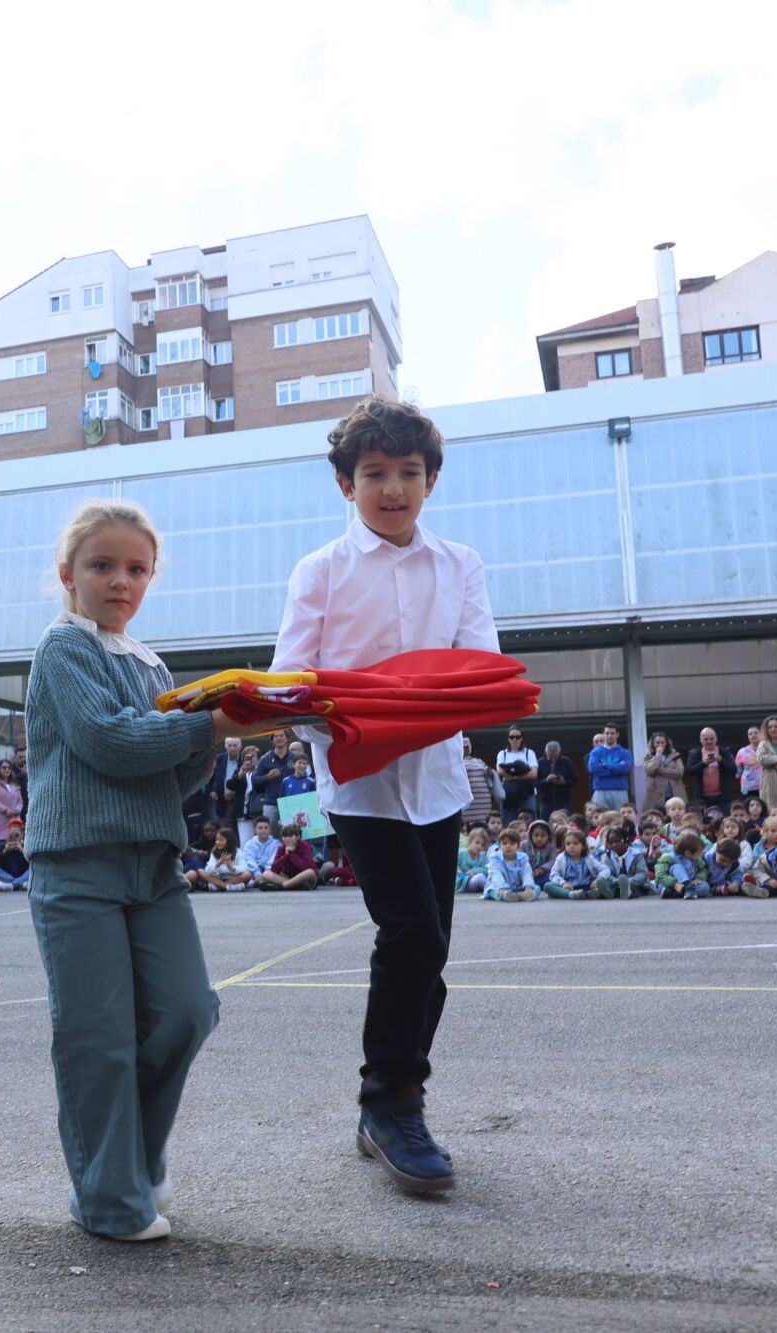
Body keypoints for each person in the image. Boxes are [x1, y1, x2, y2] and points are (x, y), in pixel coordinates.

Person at [269, 395, 501, 1197]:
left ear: (431, 480)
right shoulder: (320, 571)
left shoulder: (460, 563)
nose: (391, 488)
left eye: (408, 472)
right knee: (409, 930)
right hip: (360, 781)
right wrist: (349, 713)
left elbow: (480, 662)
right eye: (374, 474)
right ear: (346, 484)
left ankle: (395, 1096)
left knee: (432, 947)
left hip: (436, 781)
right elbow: (293, 678)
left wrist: (428, 704)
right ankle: (391, 1101)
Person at [23, 497, 232, 1242]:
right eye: (102, 565)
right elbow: (112, 742)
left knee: (188, 1010)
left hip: (154, 863)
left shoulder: (151, 662)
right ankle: (108, 1198)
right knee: (98, 1035)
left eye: (136, 567)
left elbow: (169, 780)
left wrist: (206, 737)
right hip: (76, 866)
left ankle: (133, 1160)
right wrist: (204, 726)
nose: (121, 580)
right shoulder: (64, 647)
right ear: (68, 574)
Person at [590, 824, 650, 899]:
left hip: (635, 883)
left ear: (626, 840)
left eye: (617, 841)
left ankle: (627, 892)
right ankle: (608, 893)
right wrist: (616, 881)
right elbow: (608, 873)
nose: (614, 845)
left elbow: (642, 874)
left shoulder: (636, 854)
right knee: (610, 886)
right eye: (611, 843)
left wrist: (627, 881)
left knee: (636, 889)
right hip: (616, 884)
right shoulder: (607, 856)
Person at [685, 728, 734, 817]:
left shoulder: (724, 752)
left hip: (723, 796)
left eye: (711, 739)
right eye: (706, 739)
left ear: (716, 738)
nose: (709, 741)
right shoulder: (695, 753)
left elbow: (733, 770)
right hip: (701, 797)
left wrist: (720, 760)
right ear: (700, 739)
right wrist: (703, 763)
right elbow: (690, 771)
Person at [586, 725, 633, 811]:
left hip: (620, 790)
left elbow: (625, 768)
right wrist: (616, 769)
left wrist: (605, 765)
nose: (610, 735)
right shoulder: (596, 752)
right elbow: (593, 769)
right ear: (603, 734)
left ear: (617, 734)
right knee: (600, 818)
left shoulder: (625, 752)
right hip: (600, 791)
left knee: (621, 818)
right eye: (607, 733)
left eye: (612, 733)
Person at [259, 826, 320, 891]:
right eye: (285, 836)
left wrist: (292, 855)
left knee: (310, 872)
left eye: (290, 836)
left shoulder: (304, 846)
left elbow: (307, 866)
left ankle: (282, 886)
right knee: (266, 873)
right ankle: (294, 886)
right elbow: (274, 868)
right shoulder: (281, 847)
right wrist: (286, 856)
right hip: (289, 877)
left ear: (298, 837)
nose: (287, 839)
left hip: (304, 877)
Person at [494, 728, 537, 821]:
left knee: (529, 819)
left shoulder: (529, 753)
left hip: (527, 792)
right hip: (509, 793)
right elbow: (499, 771)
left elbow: (534, 773)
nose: (514, 739)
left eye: (517, 737)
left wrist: (514, 776)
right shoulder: (502, 754)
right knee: (508, 820)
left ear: (522, 739)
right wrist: (522, 774)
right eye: (512, 737)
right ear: (508, 739)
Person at [482, 829, 537, 901]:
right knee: (491, 890)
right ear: (500, 846)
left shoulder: (523, 858)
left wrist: (528, 887)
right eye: (504, 843)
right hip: (499, 886)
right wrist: (502, 887)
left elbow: (527, 872)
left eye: (512, 843)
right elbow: (495, 874)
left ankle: (525, 896)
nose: (508, 846)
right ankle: (505, 897)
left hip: (518, 887)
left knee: (536, 888)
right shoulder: (495, 858)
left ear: (518, 846)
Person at [191, 827, 251, 891]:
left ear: (229, 841)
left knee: (247, 874)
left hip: (233, 878)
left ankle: (219, 886)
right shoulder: (214, 852)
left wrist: (231, 867)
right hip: (217, 878)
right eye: (217, 840)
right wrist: (218, 864)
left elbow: (244, 868)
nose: (218, 842)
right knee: (200, 871)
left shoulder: (238, 852)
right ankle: (226, 887)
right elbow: (208, 870)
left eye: (221, 840)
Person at [654, 831, 709, 899]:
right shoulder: (668, 858)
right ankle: (685, 889)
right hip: (670, 885)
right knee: (677, 867)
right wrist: (674, 884)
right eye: (699, 853)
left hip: (691, 884)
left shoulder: (697, 860)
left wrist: (698, 878)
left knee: (705, 887)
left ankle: (682, 892)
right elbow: (660, 875)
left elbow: (702, 870)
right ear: (688, 853)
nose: (701, 855)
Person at [0, 759, 24, 850]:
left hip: (14, 825)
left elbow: (20, 801)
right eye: (4, 767)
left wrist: (17, 810)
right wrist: (5, 810)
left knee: (12, 856)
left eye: (9, 767)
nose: (7, 769)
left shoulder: (15, 784)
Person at [642, 733, 685, 812]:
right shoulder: (648, 756)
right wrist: (658, 755)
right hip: (655, 795)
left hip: (674, 793)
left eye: (662, 742)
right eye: (657, 742)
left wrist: (659, 770)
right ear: (653, 744)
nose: (660, 745)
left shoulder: (675, 755)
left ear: (666, 743)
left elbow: (679, 772)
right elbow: (650, 770)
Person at [0, 819, 31, 890]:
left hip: (22, 874)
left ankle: (12, 885)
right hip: (7, 875)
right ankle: (19, 884)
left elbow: (32, 864)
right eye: (11, 835)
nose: (14, 837)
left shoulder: (27, 846)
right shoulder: (3, 846)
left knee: (33, 869)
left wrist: (22, 851)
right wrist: (4, 851)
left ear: (22, 835)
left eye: (16, 835)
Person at [535, 741, 576, 820]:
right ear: (546, 752)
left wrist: (564, 782)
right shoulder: (540, 763)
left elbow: (574, 780)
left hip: (564, 801)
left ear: (559, 752)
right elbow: (535, 783)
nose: (553, 759)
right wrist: (546, 780)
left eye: (555, 756)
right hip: (546, 802)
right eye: (550, 756)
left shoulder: (566, 762)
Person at [551, 829, 596, 898]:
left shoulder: (588, 857)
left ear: (583, 846)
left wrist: (599, 878)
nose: (571, 846)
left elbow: (604, 869)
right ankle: (571, 894)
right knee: (548, 886)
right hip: (569, 887)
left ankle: (594, 893)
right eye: (568, 844)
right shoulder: (561, 858)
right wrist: (563, 883)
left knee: (608, 879)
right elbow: (553, 874)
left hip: (587, 886)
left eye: (575, 843)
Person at [460, 738, 493, 827]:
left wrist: (490, 772)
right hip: (467, 803)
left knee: (483, 826)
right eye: (463, 746)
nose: (465, 748)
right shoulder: (456, 762)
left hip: (483, 802)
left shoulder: (479, 761)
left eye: (467, 746)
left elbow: (488, 774)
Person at [455, 827, 489, 895]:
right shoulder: (461, 853)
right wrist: (458, 870)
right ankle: (494, 891)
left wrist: (474, 871)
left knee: (482, 877)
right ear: (470, 841)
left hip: (474, 882)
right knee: (480, 878)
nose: (479, 846)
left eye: (482, 845)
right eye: (477, 842)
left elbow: (486, 869)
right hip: (462, 883)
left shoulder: (482, 857)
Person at [734, 726, 763, 801]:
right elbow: (738, 770)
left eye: (756, 733)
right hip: (746, 787)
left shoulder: (767, 749)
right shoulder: (742, 751)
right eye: (750, 734)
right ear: (748, 737)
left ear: (761, 735)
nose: (753, 735)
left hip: (764, 785)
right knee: (746, 804)